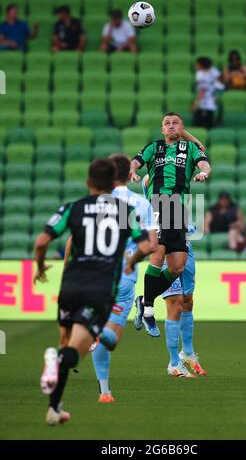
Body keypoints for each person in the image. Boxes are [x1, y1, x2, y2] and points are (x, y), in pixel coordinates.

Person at [34, 159, 152, 425]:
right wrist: (132, 263)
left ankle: (54, 409)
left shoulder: (72, 208)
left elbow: (42, 241)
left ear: (88, 182)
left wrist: (40, 267)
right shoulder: (124, 211)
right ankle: (93, 337)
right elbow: (146, 245)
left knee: (70, 345)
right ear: (113, 184)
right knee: (98, 341)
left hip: (70, 285)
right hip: (101, 288)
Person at [130, 112, 211, 337]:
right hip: (156, 205)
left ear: (183, 129)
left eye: (176, 123)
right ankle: (148, 310)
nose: (171, 126)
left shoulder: (190, 149)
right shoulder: (154, 149)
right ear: (162, 129)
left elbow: (204, 159)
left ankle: (144, 299)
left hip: (178, 209)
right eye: (167, 123)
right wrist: (133, 169)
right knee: (157, 256)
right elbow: (135, 161)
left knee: (177, 267)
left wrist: (204, 172)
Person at [84, 154, 157, 403]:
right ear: (129, 174)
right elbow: (151, 245)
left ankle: (104, 392)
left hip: (95, 273)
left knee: (102, 330)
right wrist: (132, 260)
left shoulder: (94, 202)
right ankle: (101, 334)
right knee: (112, 337)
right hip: (124, 275)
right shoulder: (142, 203)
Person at [139, 175, 207, 378]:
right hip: (165, 244)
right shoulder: (154, 181)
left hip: (184, 242)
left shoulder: (181, 177)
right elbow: (146, 180)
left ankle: (187, 353)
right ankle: (174, 363)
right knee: (175, 304)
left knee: (187, 300)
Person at [191, 56, 224, 129]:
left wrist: (196, 102)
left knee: (204, 120)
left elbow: (202, 91)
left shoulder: (203, 74)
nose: (196, 65)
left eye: (197, 64)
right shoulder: (201, 73)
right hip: (210, 98)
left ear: (201, 65)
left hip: (208, 100)